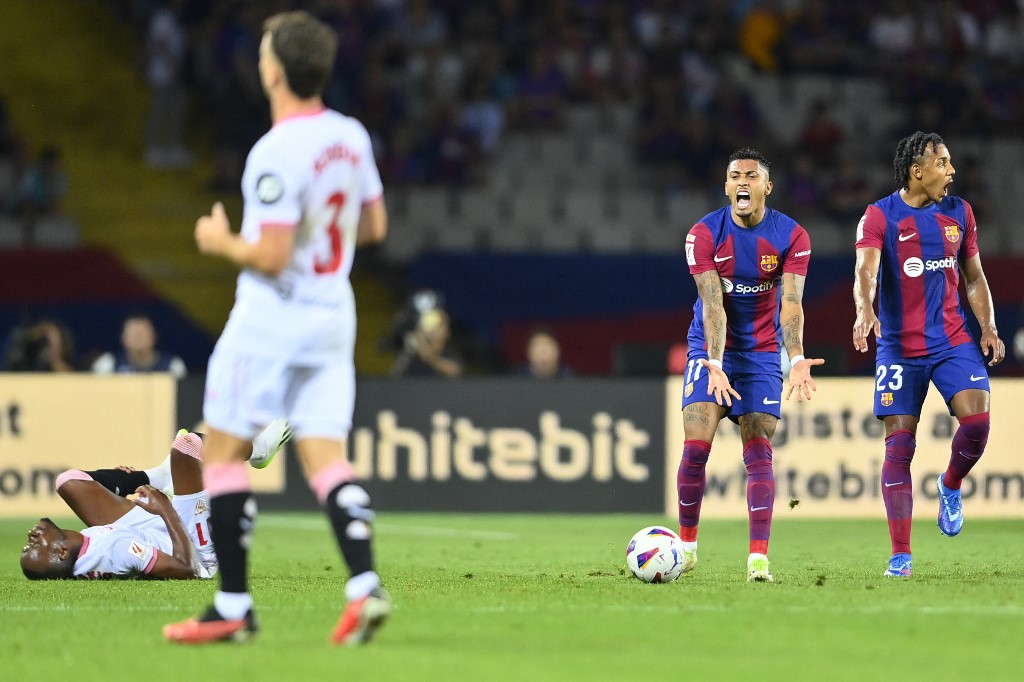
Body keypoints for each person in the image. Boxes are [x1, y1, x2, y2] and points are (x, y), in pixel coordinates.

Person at [162, 11, 390, 646]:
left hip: (271, 320)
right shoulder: (350, 136)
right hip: (332, 315)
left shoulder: (274, 151)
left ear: (273, 71)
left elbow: (269, 255)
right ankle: (363, 586)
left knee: (221, 454)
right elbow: (374, 228)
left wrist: (219, 241)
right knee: (327, 461)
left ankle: (232, 605)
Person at [853, 131, 1004, 578]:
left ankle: (950, 484)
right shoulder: (879, 215)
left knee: (977, 424)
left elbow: (974, 277)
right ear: (917, 171)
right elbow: (865, 271)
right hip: (899, 349)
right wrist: (865, 310)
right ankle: (900, 555)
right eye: (943, 163)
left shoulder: (960, 213)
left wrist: (989, 326)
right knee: (899, 447)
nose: (951, 171)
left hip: (952, 340)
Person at [678, 148, 823, 583]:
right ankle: (686, 550)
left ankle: (758, 560)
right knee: (696, 447)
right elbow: (713, 305)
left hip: (761, 353)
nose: (742, 181)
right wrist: (714, 361)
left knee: (759, 447)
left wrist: (795, 358)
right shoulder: (703, 234)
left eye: (751, 175)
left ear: (767, 186)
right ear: (726, 187)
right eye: (734, 175)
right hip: (709, 349)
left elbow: (791, 302)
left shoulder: (792, 235)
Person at [20, 423, 289, 581]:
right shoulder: (117, 550)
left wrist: (126, 483)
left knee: (68, 481)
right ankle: (259, 451)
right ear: (62, 552)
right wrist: (164, 507)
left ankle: (157, 476)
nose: (31, 537)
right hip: (190, 545)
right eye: (35, 546)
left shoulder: (83, 551)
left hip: (145, 529)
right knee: (188, 446)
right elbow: (185, 567)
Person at [91, 313, 187, 379]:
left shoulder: (172, 365)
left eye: (142, 334)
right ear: (123, 338)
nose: (138, 339)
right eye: (133, 335)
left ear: (153, 336)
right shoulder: (108, 364)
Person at [391, 307, 464, 378]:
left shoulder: (451, 355)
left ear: (447, 332)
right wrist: (409, 350)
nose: (433, 330)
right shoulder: (413, 356)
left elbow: (455, 372)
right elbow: (396, 376)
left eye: (438, 326)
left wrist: (427, 355)